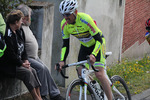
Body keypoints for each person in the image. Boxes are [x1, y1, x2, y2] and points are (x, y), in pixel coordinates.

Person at [57, 0, 113, 100]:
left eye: (68, 14)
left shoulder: (85, 19)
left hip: (97, 44)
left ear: (75, 12)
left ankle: (110, 98)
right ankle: (96, 88)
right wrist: (62, 60)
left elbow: (99, 40)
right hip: (85, 46)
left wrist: (93, 54)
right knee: (80, 72)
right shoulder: (64, 24)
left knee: (99, 73)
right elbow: (65, 44)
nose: (65, 17)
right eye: (63, 15)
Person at [17, 4, 65, 100]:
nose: (31, 18)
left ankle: (55, 94)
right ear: (25, 17)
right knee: (41, 69)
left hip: (34, 56)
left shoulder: (26, 26)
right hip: (28, 58)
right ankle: (43, 95)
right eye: (30, 16)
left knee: (46, 69)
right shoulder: (20, 28)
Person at [0, 10, 42, 100]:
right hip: (9, 65)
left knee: (33, 71)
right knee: (27, 73)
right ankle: (36, 98)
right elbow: (10, 54)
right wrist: (21, 64)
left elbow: (23, 49)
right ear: (16, 22)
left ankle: (39, 96)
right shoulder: (7, 34)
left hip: (19, 63)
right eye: (20, 20)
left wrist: (25, 60)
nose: (22, 22)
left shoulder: (19, 31)